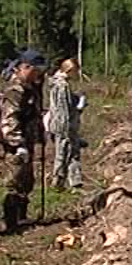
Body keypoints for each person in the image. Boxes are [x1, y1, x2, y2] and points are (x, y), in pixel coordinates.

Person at [0, 49, 47, 233]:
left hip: (27, 140)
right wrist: (17, 143)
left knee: (26, 180)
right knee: (14, 180)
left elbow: (34, 114)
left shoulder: (30, 88)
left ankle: (21, 216)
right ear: (25, 67)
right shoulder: (15, 90)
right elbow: (9, 119)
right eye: (35, 70)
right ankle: (11, 222)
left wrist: (39, 134)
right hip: (16, 144)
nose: (38, 74)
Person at [47, 58, 84, 191]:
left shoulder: (60, 83)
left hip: (62, 124)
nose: (77, 74)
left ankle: (74, 182)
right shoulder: (62, 85)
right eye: (76, 71)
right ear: (70, 70)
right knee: (64, 153)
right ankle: (58, 183)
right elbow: (63, 110)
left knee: (70, 152)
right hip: (63, 126)